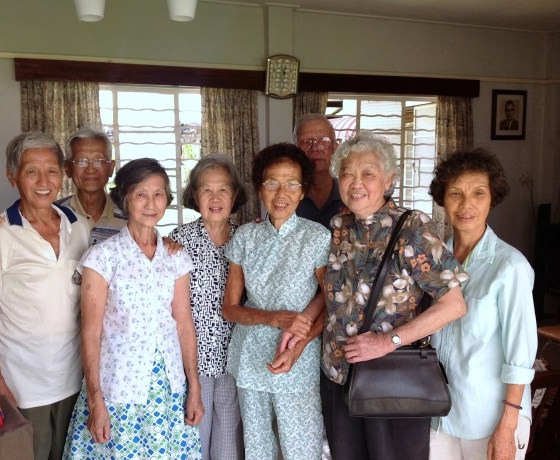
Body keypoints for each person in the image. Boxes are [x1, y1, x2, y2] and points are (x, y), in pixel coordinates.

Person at [321, 132, 469, 460]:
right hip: (338, 375)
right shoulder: (338, 226)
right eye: (347, 174)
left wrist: (388, 341)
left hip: (391, 380)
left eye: (368, 174)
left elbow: (454, 305)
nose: (356, 183)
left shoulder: (412, 228)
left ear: (389, 179)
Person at [64, 158, 204, 459]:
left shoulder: (176, 257)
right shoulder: (102, 257)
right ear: (124, 199)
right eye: (141, 194)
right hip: (117, 389)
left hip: (168, 390)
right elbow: (90, 332)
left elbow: (183, 324)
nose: (151, 203)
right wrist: (95, 400)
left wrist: (194, 387)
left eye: (159, 194)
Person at [0, 132, 90, 460]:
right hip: (22, 383)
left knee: (69, 454)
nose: (43, 181)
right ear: (13, 177)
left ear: (63, 174)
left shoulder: (80, 227)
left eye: (51, 170)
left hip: (73, 376)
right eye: (31, 171)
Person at [222, 143, 331, 460]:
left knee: (302, 448)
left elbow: (330, 301)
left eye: (292, 184)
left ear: (302, 191)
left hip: (298, 357)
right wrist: (272, 318)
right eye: (272, 182)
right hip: (251, 357)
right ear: (260, 188)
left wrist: (299, 345)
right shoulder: (245, 237)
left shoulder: (317, 237)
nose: (281, 193)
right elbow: (230, 309)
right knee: (258, 448)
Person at [428, 149, 537, 460]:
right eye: (455, 193)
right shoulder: (433, 260)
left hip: (491, 418)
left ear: (492, 198)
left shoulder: (510, 266)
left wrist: (508, 424)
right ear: (442, 199)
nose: (466, 205)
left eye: (478, 193)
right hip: (439, 416)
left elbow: (520, 354)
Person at [168, 154, 247, 460]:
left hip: (233, 359)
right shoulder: (178, 241)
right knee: (194, 438)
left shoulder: (246, 239)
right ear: (194, 195)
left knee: (227, 444)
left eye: (223, 189)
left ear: (234, 195)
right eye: (206, 190)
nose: (215, 198)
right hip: (192, 361)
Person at [0, 127, 126, 245]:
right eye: (81, 161)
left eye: (99, 161)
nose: (90, 169)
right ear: (67, 169)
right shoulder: (54, 213)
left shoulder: (130, 215)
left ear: (111, 168)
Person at [294, 113, 345, 229]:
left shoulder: (351, 196)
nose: (314, 148)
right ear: (296, 150)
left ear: (335, 148)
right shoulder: (286, 198)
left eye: (323, 141)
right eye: (306, 142)